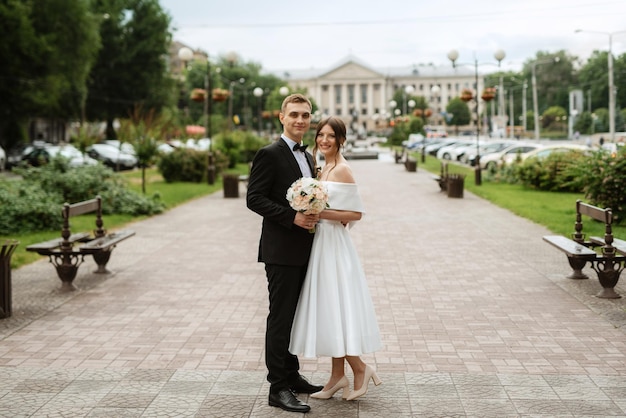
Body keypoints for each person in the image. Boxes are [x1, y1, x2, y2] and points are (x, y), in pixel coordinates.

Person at [289, 116, 383, 402]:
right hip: (321, 243)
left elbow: (356, 214)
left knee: (335, 306)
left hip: (335, 247)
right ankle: (336, 378)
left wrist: (321, 213)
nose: (324, 140)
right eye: (321, 135)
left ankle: (360, 368)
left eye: (331, 136)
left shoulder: (342, 169)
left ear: (341, 139)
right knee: (331, 310)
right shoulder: (323, 167)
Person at [246, 93, 324, 413]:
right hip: (280, 250)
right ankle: (277, 387)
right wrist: (292, 217)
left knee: (294, 316)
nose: (300, 120)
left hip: (305, 248)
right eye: (294, 115)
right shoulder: (269, 153)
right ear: (281, 117)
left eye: (305, 115)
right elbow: (254, 198)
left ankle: (291, 375)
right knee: (280, 318)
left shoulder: (307, 156)